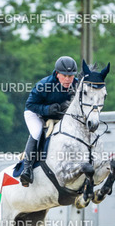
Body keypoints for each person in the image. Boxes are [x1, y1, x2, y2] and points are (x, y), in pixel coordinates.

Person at [19, 56, 79, 187]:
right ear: (57, 74)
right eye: (64, 76)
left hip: (58, 115)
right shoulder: (44, 85)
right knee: (37, 132)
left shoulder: (77, 85)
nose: (68, 79)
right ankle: (27, 170)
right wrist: (47, 109)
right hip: (35, 113)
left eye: (71, 76)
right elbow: (30, 104)